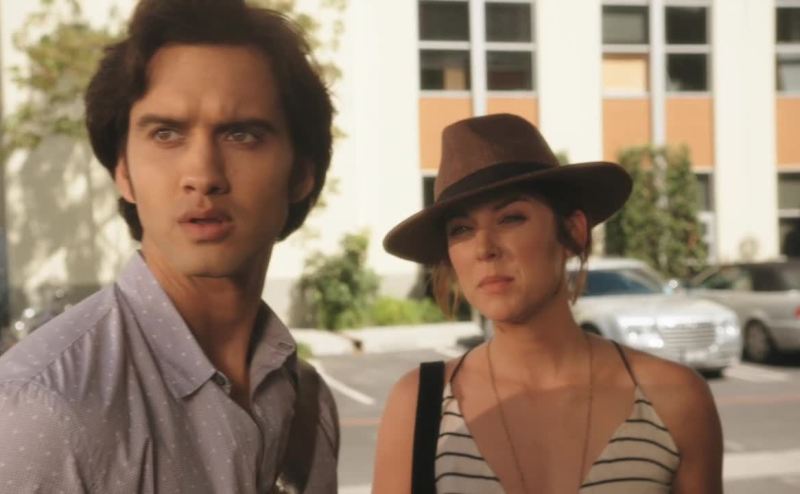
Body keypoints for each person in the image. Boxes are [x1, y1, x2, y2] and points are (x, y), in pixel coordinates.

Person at [0, 0, 339, 492]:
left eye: (242, 134)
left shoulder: (305, 400)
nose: (202, 175)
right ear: (123, 173)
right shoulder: (43, 408)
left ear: (301, 173)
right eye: (166, 134)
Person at [374, 114, 723, 493]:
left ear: (573, 230)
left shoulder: (675, 399)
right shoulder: (419, 406)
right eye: (461, 229)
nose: (484, 248)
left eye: (510, 218)